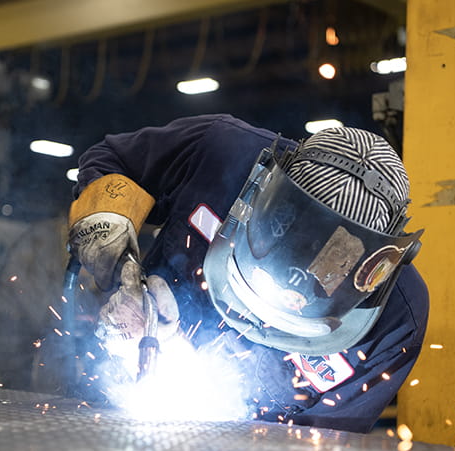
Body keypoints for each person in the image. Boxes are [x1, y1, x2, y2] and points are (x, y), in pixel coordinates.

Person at [67, 113, 428, 433]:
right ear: (263, 187)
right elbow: (110, 161)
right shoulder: (220, 153)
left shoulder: (397, 320)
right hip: (107, 398)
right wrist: (119, 261)